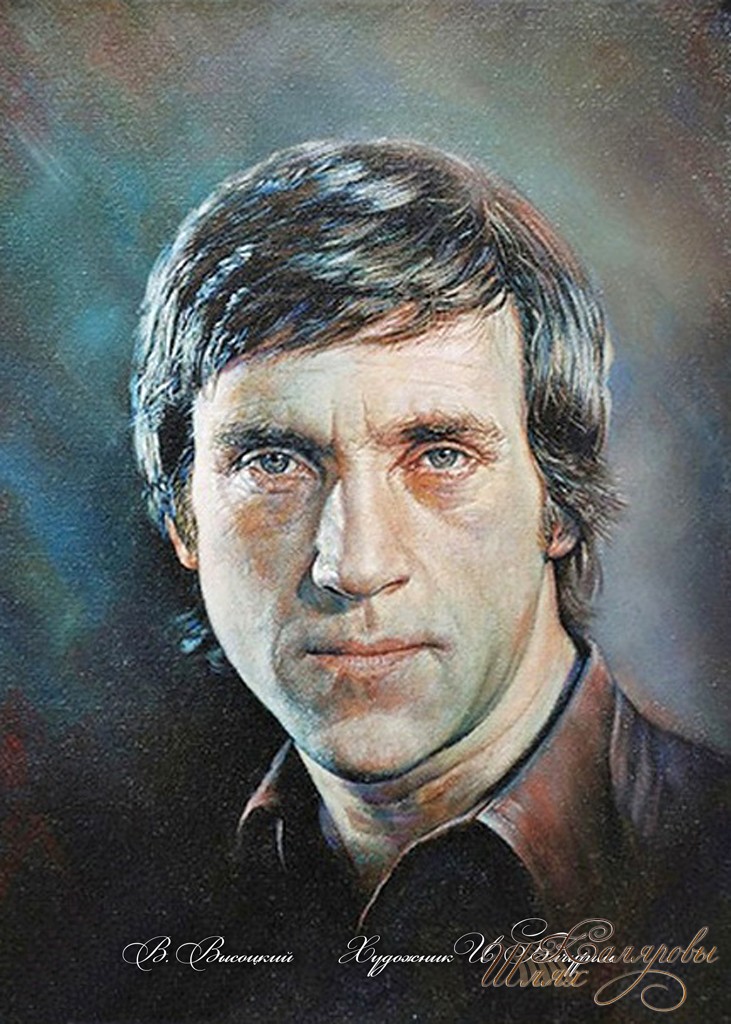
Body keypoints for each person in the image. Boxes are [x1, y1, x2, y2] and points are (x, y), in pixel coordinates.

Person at [126, 140, 727, 1022]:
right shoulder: (110, 919)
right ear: (183, 518)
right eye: (273, 462)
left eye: (439, 455)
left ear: (557, 503)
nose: (354, 564)